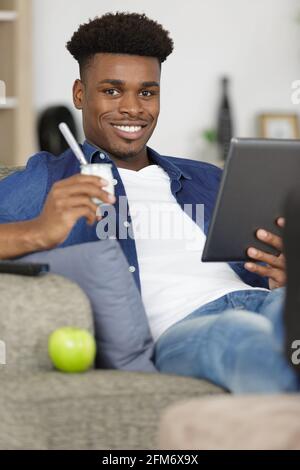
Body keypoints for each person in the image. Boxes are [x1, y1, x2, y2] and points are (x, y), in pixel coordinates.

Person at [0, 12, 297, 393]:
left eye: (147, 92)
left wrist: (284, 277)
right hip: (189, 328)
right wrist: (38, 231)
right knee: (246, 341)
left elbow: (266, 269)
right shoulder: (51, 179)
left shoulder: (208, 178)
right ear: (79, 94)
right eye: (111, 90)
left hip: (263, 304)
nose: (133, 108)